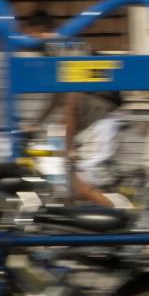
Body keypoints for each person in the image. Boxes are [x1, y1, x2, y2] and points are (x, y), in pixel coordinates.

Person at [24, 10, 124, 206]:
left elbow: (71, 102)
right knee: (65, 186)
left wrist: (67, 145)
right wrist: (35, 124)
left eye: (30, 37)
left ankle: (126, 218)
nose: (28, 43)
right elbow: (57, 97)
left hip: (98, 119)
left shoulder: (64, 50)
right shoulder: (55, 50)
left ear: (41, 31)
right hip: (88, 121)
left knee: (82, 186)